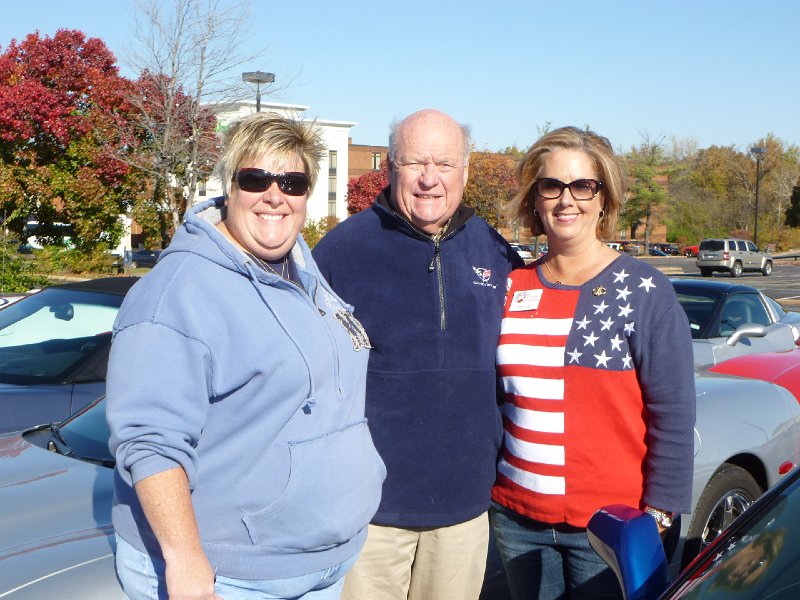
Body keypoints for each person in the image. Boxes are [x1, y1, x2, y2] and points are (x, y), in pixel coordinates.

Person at [106, 113, 386, 600]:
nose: (275, 195)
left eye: (293, 182)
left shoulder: (301, 267)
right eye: (256, 179)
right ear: (230, 187)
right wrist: (186, 561)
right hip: (232, 576)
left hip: (319, 564)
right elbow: (151, 441)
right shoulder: (177, 294)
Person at [312, 108, 524, 600]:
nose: (430, 179)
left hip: (463, 507)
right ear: (390, 168)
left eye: (445, 164)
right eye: (415, 163)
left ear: (465, 171)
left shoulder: (493, 250)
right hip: (368, 513)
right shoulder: (341, 252)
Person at [490, 126, 696, 600]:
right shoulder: (511, 287)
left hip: (611, 529)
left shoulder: (644, 290)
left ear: (604, 198)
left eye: (583, 185)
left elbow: (674, 414)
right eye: (551, 185)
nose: (567, 200)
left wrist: (660, 515)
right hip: (518, 520)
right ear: (534, 199)